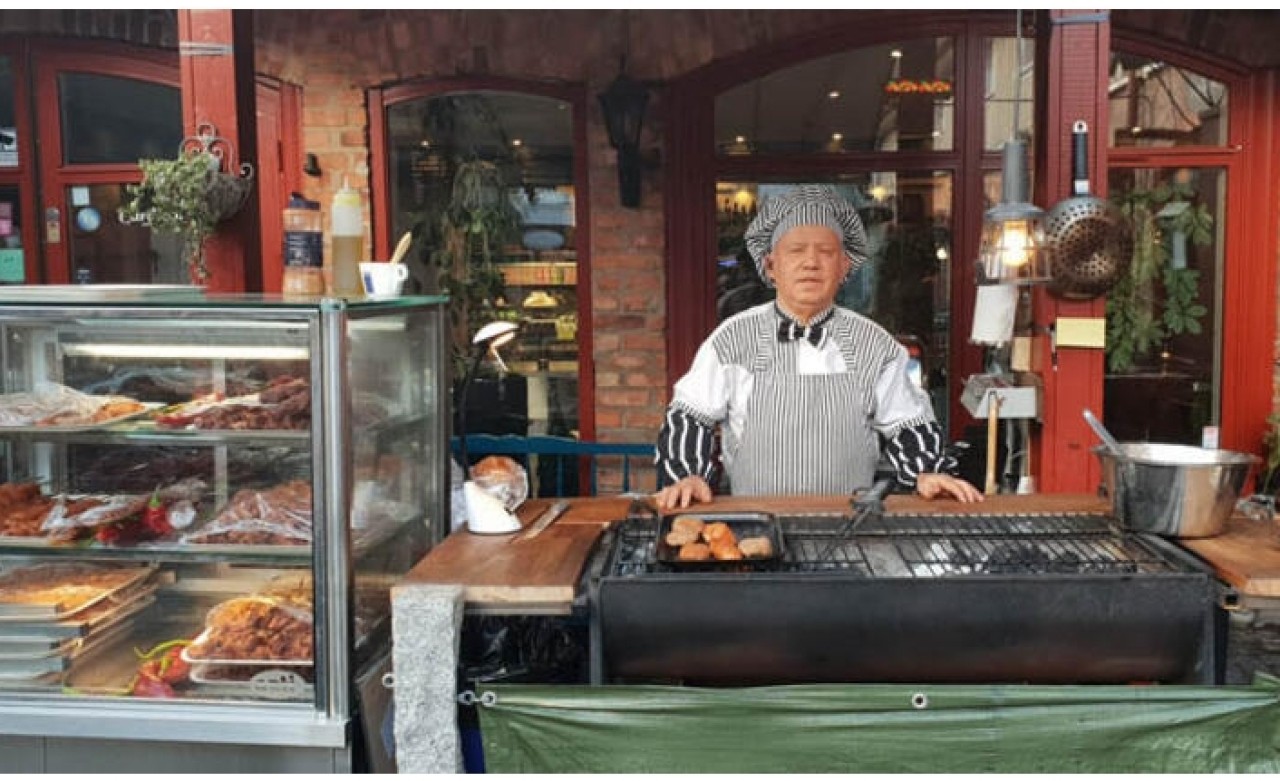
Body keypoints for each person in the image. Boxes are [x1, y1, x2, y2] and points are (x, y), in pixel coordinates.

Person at [655, 185, 982, 509]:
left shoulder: (874, 344)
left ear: (843, 267)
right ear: (771, 266)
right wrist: (687, 474)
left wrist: (925, 473)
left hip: (851, 531)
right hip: (755, 527)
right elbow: (690, 416)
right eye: (796, 251)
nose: (811, 263)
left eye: (825, 253)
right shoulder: (732, 339)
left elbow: (910, 423)